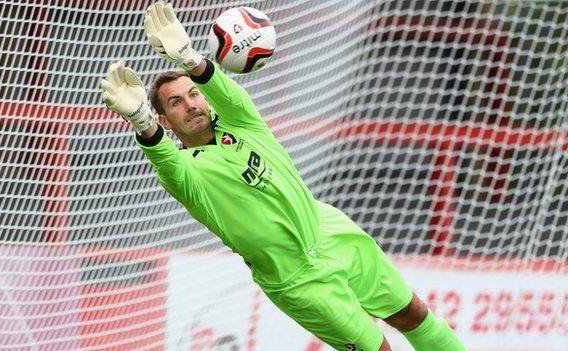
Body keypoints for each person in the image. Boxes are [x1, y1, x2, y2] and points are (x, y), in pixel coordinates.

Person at [100, 2, 467, 350]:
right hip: (297, 279)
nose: (191, 104)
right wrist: (141, 121)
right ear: (165, 119)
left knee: (414, 313)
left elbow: (228, 95)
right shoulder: (188, 174)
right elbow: (165, 160)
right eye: (175, 103)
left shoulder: (243, 123)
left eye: (193, 94)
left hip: (329, 231)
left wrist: (190, 59)